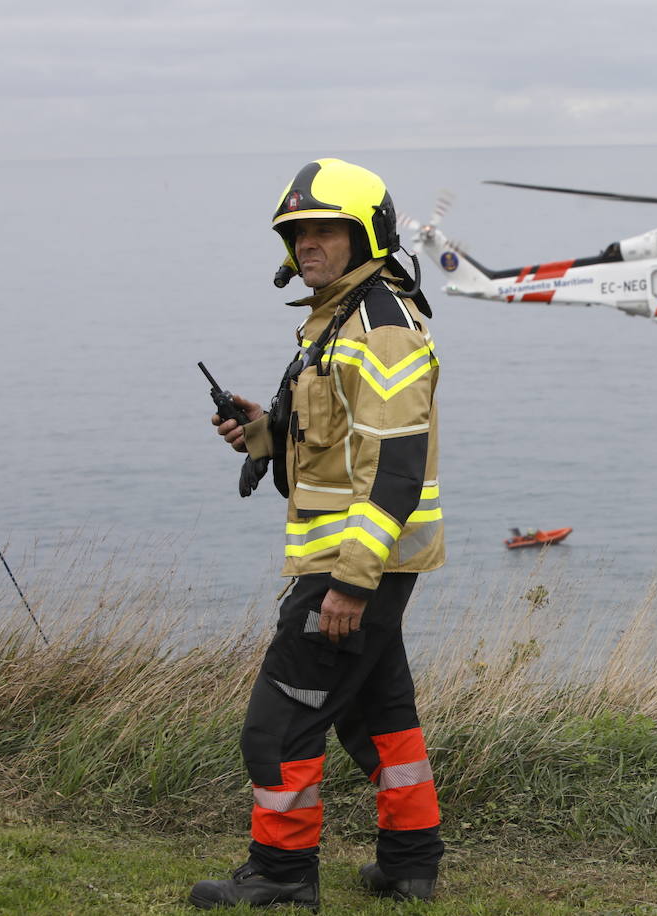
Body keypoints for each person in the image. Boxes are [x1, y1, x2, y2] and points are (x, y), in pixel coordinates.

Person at [192, 158, 446, 909]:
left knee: (277, 727)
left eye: (325, 229)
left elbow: (396, 469)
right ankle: (409, 861)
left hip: (353, 567)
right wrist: (266, 432)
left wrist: (350, 582)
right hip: (362, 565)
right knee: (379, 716)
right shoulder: (341, 316)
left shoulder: (381, 330)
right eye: (297, 231)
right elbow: (339, 446)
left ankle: (280, 875)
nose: (308, 243)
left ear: (368, 231)